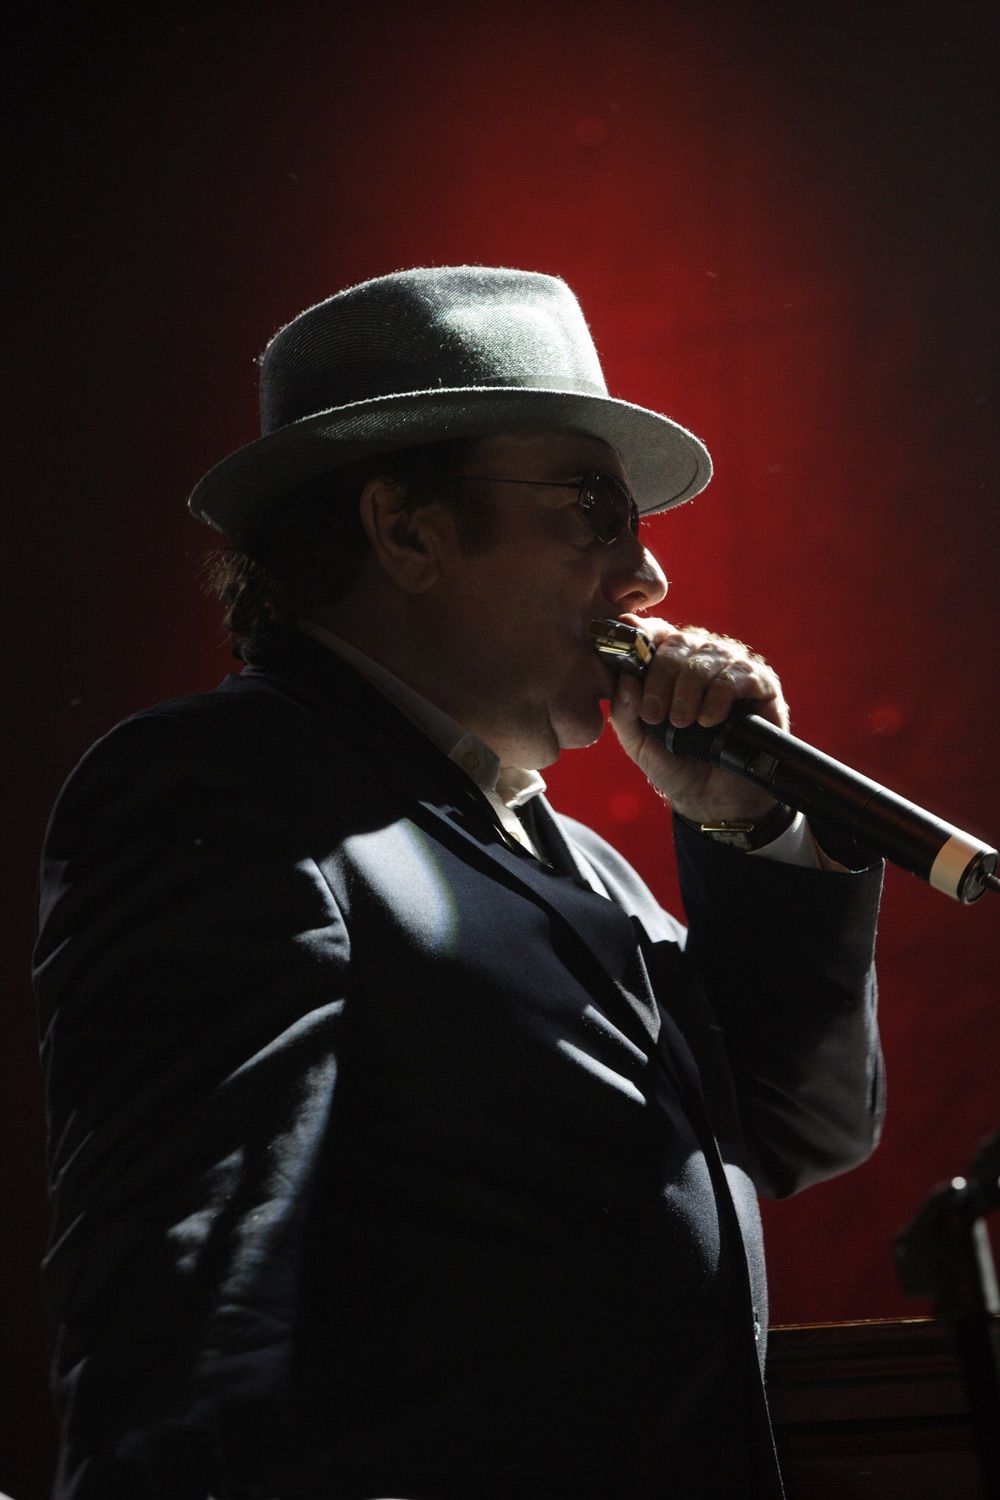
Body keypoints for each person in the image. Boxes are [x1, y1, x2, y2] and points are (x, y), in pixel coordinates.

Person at [33, 266, 884, 1500]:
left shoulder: (578, 862)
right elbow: (186, 1327)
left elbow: (798, 1131)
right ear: (407, 529)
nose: (646, 581)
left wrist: (750, 830)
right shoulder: (225, 791)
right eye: (594, 510)